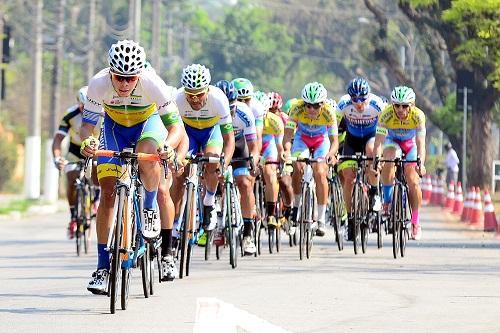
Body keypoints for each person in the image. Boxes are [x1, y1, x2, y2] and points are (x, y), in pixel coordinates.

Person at [80, 40, 183, 295]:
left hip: (148, 125)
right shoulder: (98, 83)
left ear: (139, 75)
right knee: (107, 194)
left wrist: (168, 146)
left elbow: (176, 127)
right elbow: (87, 125)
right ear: (110, 72)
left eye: (130, 78)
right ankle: (103, 268)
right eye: (119, 77)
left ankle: (148, 207)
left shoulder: (152, 83)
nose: (124, 84)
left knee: (148, 153)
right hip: (114, 129)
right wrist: (88, 141)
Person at [171, 64, 235, 240]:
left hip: (211, 133)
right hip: (188, 133)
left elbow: (229, 140)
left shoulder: (219, 99)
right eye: (190, 95)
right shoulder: (176, 98)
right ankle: (175, 223)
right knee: (178, 173)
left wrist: (224, 164)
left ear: (207, 89)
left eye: (199, 94)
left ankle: (209, 201)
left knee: (212, 160)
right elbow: (171, 130)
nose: (195, 99)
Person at [282, 82, 339, 237]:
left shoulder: (329, 112)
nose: (311, 109)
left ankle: (320, 218)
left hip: (321, 141)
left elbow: (334, 141)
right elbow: (287, 135)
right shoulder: (297, 108)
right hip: (302, 139)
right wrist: (287, 150)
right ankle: (296, 206)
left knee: (320, 172)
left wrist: (331, 154)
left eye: (316, 106)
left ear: (323, 104)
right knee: (298, 167)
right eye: (308, 105)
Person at [373, 86, 426, 240]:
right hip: (392, 142)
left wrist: (420, 163)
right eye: (397, 105)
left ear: (412, 105)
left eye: (405, 106)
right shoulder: (386, 114)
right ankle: (388, 203)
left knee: (413, 180)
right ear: (393, 105)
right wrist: (377, 159)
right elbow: (378, 142)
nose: (401, 109)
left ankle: (415, 222)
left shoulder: (418, 116)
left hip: (410, 145)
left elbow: (421, 143)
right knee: (388, 159)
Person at [336, 77, 386, 241]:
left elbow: (387, 130)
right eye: (355, 99)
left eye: (362, 99)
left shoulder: (377, 104)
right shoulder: (343, 104)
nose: (358, 103)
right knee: (348, 177)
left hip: (372, 138)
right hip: (352, 139)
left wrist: (382, 154)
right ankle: (350, 219)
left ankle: (374, 192)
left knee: (371, 153)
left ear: (368, 96)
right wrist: (334, 150)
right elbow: (333, 129)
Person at [214, 80, 259, 255]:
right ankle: (218, 221)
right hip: (219, 144)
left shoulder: (244, 113)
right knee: (213, 175)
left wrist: (253, 163)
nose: (229, 113)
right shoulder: (212, 111)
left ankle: (247, 234)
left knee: (245, 183)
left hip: (240, 148)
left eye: (231, 108)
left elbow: (253, 147)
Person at [52, 86, 100, 239]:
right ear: (78, 103)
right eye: (82, 106)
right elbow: (58, 139)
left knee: (97, 172)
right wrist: (57, 158)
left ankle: (96, 199)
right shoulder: (70, 114)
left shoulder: (102, 114)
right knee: (72, 177)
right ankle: (73, 216)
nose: (85, 110)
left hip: (95, 149)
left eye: (88, 106)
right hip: (75, 150)